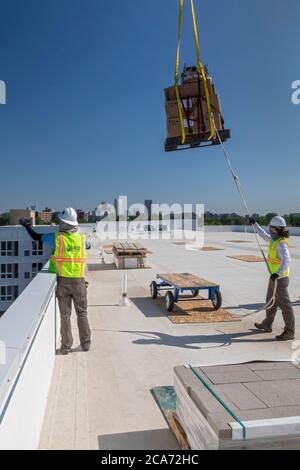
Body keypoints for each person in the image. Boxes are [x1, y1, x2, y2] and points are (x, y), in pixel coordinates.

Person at [20, 207, 91, 354]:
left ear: (63, 223)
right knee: (82, 314)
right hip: (79, 282)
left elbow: (36, 237)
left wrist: (26, 226)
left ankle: (66, 347)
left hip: (63, 283)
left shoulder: (56, 238)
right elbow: (89, 246)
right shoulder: (83, 239)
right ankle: (86, 344)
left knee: (65, 316)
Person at [249, 215, 295, 341]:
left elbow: (287, 261)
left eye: (273, 229)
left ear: (279, 229)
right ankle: (267, 324)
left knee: (285, 306)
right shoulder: (274, 240)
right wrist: (255, 224)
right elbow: (263, 235)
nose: (270, 230)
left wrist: (277, 273)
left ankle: (289, 332)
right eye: (270, 228)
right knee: (270, 301)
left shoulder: (281, 244)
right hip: (274, 278)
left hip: (280, 279)